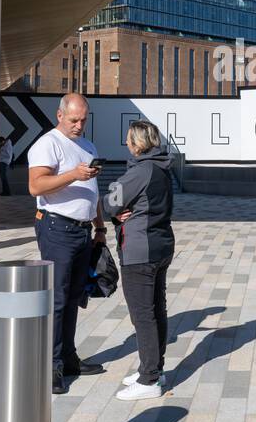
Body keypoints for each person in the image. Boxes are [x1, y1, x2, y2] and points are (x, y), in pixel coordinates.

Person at [26, 93, 107, 393]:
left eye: (83, 120)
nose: (79, 125)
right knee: (57, 299)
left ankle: (69, 358)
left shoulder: (87, 145)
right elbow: (36, 185)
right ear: (59, 115)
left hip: (83, 230)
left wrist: (100, 227)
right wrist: (73, 174)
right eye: (74, 120)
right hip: (56, 227)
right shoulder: (48, 144)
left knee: (74, 296)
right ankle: (51, 365)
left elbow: (92, 189)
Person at [102, 120, 174, 401]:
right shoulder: (162, 167)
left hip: (139, 250)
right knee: (157, 309)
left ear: (136, 143)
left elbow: (110, 202)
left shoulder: (140, 171)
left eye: (128, 140)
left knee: (143, 314)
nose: (126, 145)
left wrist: (115, 210)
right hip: (161, 245)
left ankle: (149, 380)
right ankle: (154, 368)